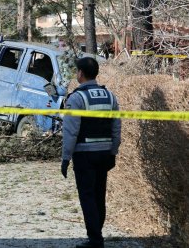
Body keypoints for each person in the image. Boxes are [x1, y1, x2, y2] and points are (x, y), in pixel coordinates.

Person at [61, 57, 121, 248]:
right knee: (98, 196)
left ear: (80, 73)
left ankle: (95, 240)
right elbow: (116, 128)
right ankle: (97, 235)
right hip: (104, 154)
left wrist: (65, 157)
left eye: (76, 71)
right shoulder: (110, 96)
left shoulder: (77, 98)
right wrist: (113, 151)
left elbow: (71, 131)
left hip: (84, 155)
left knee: (87, 196)